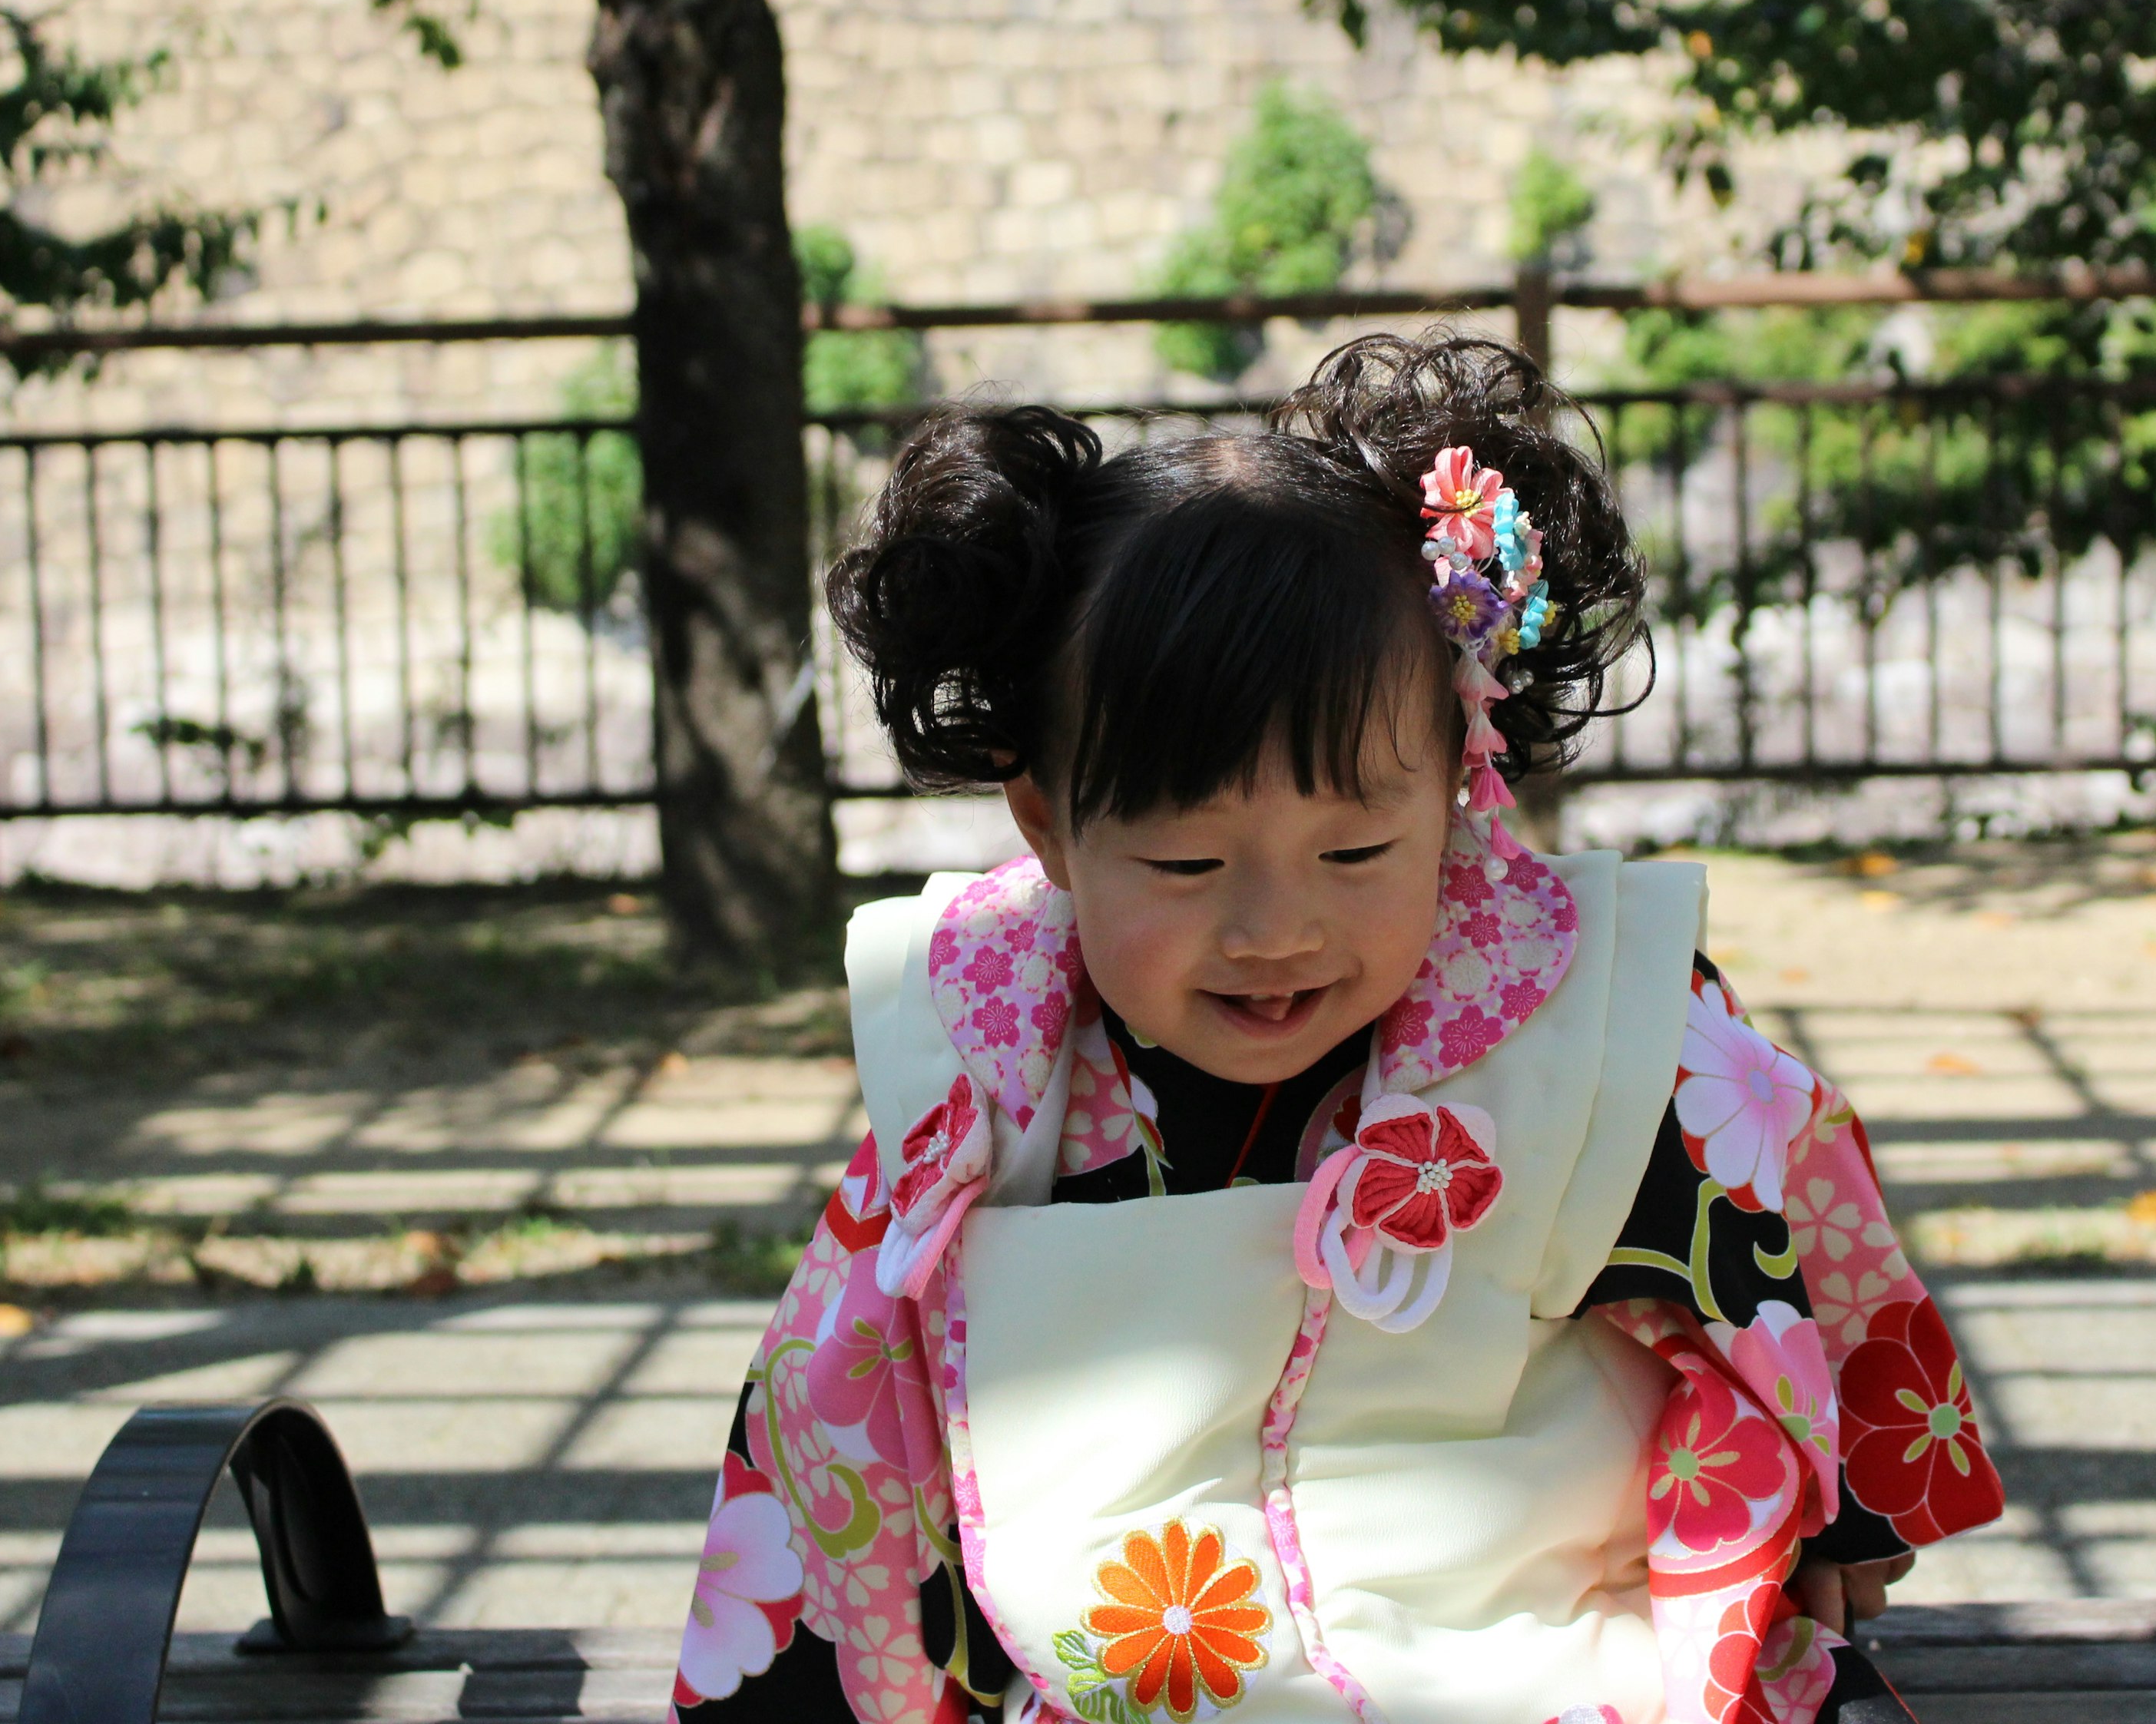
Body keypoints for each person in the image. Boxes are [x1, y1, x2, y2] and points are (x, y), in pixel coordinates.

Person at [673, 334, 2002, 1724]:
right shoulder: (984, 1051)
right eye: (1188, 867)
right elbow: (841, 1411)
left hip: (1543, 1630)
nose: (1275, 930)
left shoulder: (1584, 1015)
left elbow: (1776, 1213)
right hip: (1136, 1658)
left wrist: (1849, 1510)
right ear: (1048, 826)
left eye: (1359, 849)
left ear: (1460, 794)